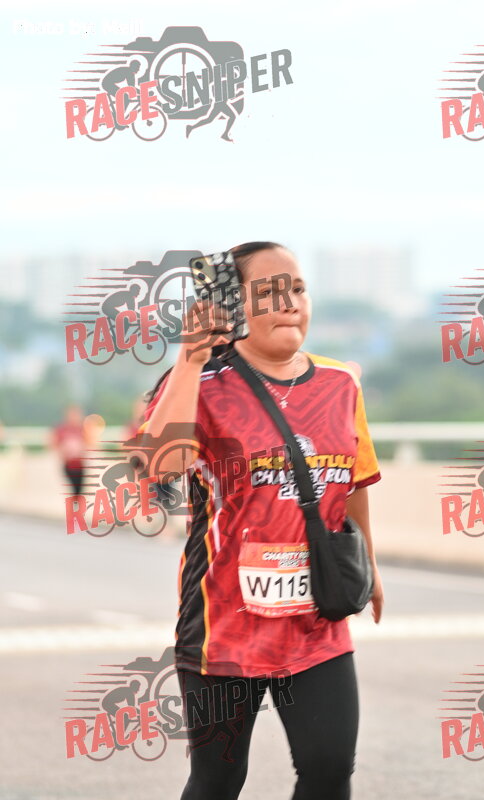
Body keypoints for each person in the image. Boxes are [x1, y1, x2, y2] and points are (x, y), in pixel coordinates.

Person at [138, 241, 384, 799]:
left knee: (329, 769)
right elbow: (158, 466)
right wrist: (189, 361)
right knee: (219, 779)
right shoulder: (202, 384)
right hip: (223, 627)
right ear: (233, 305)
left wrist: (370, 565)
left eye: (298, 288)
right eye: (271, 291)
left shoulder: (340, 384)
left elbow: (354, 483)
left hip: (317, 621)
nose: (290, 302)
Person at [50, 406, 88, 496]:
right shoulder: (61, 429)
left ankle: (76, 504)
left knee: (79, 491)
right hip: (68, 464)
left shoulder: (83, 428)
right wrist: (64, 451)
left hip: (80, 464)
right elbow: (53, 444)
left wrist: (80, 449)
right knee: (72, 489)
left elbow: (89, 444)